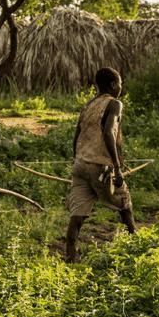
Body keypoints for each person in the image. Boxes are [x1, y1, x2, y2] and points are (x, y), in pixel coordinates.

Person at [65, 67, 136, 263]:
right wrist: (117, 168)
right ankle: (136, 243)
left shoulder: (89, 104)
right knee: (124, 202)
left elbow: (76, 136)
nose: (121, 87)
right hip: (100, 167)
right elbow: (108, 133)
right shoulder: (115, 104)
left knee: (78, 214)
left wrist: (77, 161)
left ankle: (70, 255)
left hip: (80, 164)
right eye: (120, 83)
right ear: (114, 85)